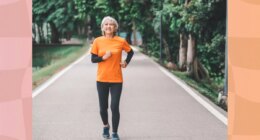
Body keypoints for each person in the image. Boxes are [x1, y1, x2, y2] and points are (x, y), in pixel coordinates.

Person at [91, 16, 134, 140]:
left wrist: (125, 62)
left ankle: (114, 133)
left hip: (116, 80)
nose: (108, 26)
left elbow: (130, 52)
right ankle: (105, 126)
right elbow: (93, 59)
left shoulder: (120, 41)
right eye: (106, 24)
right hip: (102, 79)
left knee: (114, 106)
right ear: (103, 27)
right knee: (102, 108)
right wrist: (103, 58)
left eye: (111, 24)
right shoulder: (97, 41)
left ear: (115, 27)